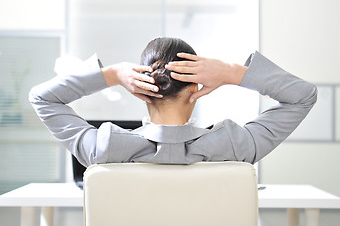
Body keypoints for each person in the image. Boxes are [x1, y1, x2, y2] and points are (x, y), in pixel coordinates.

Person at [29, 37, 317, 167]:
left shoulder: (103, 148)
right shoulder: (234, 145)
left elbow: (42, 98)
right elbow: (303, 96)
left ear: (142, 90)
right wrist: (233, 72)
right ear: (196, 88)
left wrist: (112, 74)